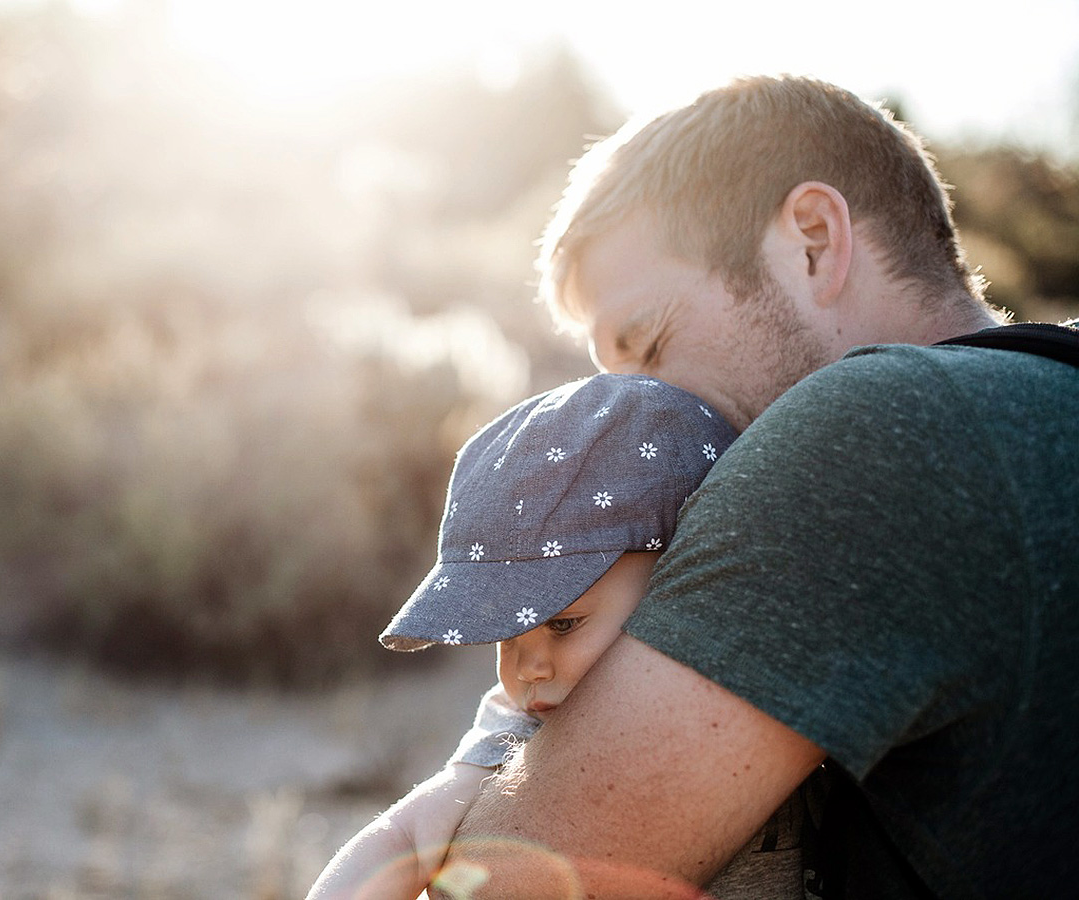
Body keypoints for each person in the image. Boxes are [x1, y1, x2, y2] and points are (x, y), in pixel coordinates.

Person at [428, 75, 1079, 899]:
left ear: (812, 239)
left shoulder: (868, 432)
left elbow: (505, 888)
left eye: (649, 345)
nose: (633, 416)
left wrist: (465, 782)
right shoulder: (1046, 396)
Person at [307, 372, 807, 900]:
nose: (528, 668)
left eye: (563, 624)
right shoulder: (523, 726)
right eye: (505, 636)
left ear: (678, 576)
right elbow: (407, 834)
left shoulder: (769, 663)